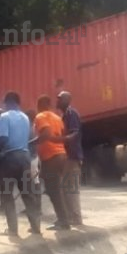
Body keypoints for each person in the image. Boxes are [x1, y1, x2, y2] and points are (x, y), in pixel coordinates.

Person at [0, 92, 40, 237]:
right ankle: (35, 228)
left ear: (7, 102)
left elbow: (3, 138)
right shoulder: (26, 118)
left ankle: (13, 230)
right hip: (25, 158)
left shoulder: (5, 116)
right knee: (28, 194)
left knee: (7, 194)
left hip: (9, 159)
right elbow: (27, 138)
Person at [34, 96, 70, 230]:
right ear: (49, 105)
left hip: (51, 157)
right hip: (61, 155)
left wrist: (32, 143)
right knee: (55, 189)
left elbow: (46, 133)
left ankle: (63, 221)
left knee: (53, 190)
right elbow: (61, 135)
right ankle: (63, 219)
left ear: (39, 105)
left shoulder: (40, 116)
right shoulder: (57, 118)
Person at [57, 91, 83, 226]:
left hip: (72, 157)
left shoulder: (71, 114)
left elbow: (75, 132)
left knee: (71, 189)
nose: (57, 100)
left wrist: (60, 140)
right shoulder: (64, 116)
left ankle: (76, 219)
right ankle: (71, 218)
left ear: (67, 100)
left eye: (60, 98)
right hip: (67, 157)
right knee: (65, 188)